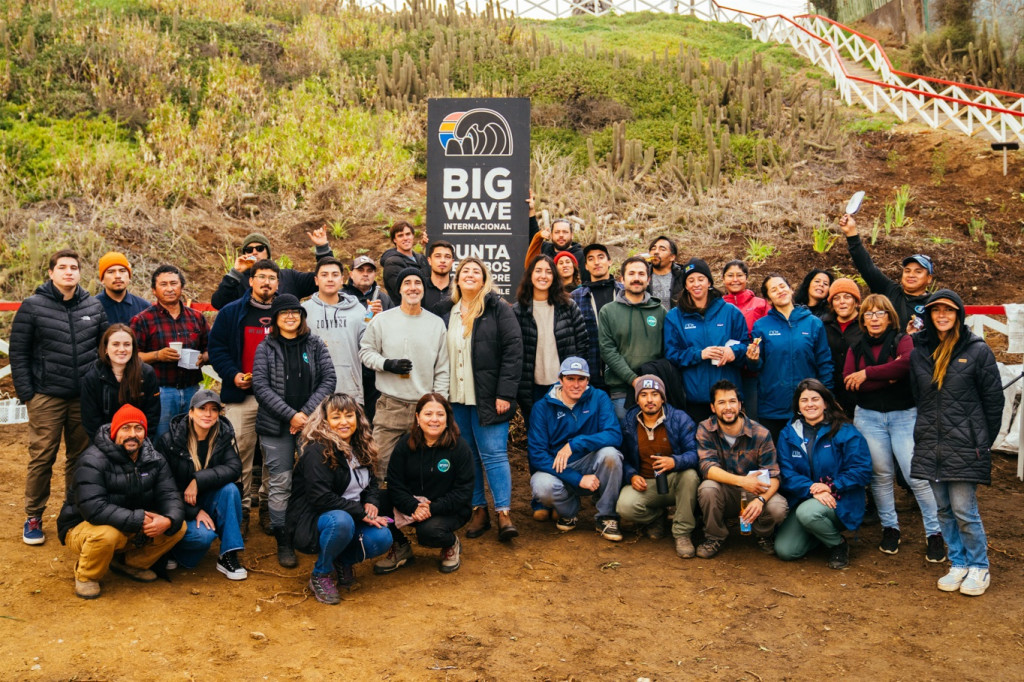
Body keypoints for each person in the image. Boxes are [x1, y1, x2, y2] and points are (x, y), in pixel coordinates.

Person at [909, 290, 1004, 596]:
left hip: (966, 443)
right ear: (929, 315)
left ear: (959, 315)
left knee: (965, 510)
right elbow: (918, 396)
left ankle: (979, 566)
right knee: (944, 510)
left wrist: (982, 441)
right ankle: (958, 562)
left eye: (948, 311)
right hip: (930, 442)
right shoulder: (918, 351)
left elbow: (994, 401)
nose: (942, 316)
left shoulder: (978, 350)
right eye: (936, 311)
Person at [11, 249, 107, 545]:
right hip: (46, 396)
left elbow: (104, 350)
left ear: (80, 273)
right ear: (51, 273)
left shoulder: (94, 305)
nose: (69, 272)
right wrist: (28, 394)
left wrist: (98, 388)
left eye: (74, 267)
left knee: (79, 457)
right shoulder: (32, 306)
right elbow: (19, 353)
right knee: (42, 456)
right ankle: (33, 515)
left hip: (83, 397)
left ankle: (74, 510)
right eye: (62, 267)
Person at [843, 294, 945, 561]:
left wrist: (868, 374)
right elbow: (848, 382)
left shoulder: (903, 340)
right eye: (868, 314)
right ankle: (890, 528)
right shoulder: (856, 346)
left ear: (890, 316)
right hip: (868, 417)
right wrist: (889, 377)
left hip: (903, 416)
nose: (874, 318)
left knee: (916, 475)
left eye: (880, 313)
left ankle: (934, 533)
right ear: (862, 319)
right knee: (881, 475)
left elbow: (908, 363)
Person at [56, 405, 186, 599]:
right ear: (115, 430)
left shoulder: (155, 459)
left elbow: (170, 495)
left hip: (131, 524)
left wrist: (168, 519)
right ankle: (86, 576)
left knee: (178, 526)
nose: (132, 434)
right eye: (126, 428)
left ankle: (129, 563)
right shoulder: (92, 459)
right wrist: (139, 518)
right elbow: (93, 508)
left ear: (145, 432)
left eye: (138, 428)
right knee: (107, 535)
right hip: (82, 526)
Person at [435, 258, 523, 541]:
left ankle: (503, 512)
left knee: (494, 454)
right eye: (465, 272)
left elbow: (513, 351)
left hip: (489, 396)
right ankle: (478, 510)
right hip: (455, 398)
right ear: (457, 279)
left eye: (477, 271)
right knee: (467, 455)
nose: (470, 275)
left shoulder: (498, 308)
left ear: (484, 280)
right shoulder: (445, 311)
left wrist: (505, 393)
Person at [252, 294, 337, 567]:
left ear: (302, 316)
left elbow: (329, 379)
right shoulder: (266, 347)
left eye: (295, 312)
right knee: (281, 482)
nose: (290, 316)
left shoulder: (314, 344)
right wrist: (290, 415)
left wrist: (304, 416)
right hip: (275, 426)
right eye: (284, 313)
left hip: (311, 426)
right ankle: (283, 539)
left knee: (315, 479)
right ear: (275, 319)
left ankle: (310, 530)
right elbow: (261, 386)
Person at [287, 394, 393, 604]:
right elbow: (321, 498)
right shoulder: (317, 450)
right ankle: (321, 573)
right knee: (340, 521)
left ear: (358, 418)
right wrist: (361, 512)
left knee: (383, 537)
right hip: (314, 521)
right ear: (325, 421)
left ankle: (342, 561)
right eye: (336, 417)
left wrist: (371, 502)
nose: (344, 422)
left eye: (349, 416)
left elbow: (372, 481)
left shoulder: (361, 444)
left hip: (350, 515)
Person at [207, 259, 280, 526]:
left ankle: (270, 510)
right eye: (261, 277)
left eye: (272, 278)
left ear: (278, 283)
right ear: (250, 281)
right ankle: (241, 512)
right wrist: (233, 374)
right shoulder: (231, 312)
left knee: (274, 456)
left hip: (276, 398)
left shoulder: (287, 313)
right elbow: (217, 350)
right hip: (241, 397)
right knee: (239, 456)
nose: (266, 282)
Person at [359, 267, 449, 474]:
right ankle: (380, 505)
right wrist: (386, 364)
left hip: (424, 407)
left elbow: (443, 369)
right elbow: (365, 352)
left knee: (423, 467)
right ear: (399, 289)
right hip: (391, 405)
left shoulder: (435, 324)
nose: (412, 288)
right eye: (407, 283)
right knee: (378, 464)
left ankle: (418, 505)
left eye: (417, 283)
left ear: (423, 289)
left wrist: (438, 404)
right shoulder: (382, 320)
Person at [775, 379, 872, 569]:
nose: (810, 404)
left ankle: (838, 544)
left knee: (808, 513)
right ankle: (820, 534)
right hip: (805, 497)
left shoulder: (845, 431)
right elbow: (786, 472)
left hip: (839, 500)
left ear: (825, 402)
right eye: (804, 400)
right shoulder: (788, 434)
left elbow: (862, 470)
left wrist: (831, 486)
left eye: (815, 399)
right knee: (786, 551)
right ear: (798, 405)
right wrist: (812, 489)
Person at [528, 357, 625, 542]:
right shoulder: (542, 407)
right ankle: (569, 511)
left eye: (581, 379)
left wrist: (575, 444)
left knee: (611, 455)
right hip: (558, 467)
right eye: (570, 378)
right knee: (541, 485)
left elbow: (614, 434)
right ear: (560, 379)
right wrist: (578, 479)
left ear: (588, 380)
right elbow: (537, 456)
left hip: (589, 462)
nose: (576, 384)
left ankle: (606, 516)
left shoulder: (598, 398)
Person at [376, 393, 473, 575]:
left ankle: (450, 543)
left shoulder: (460, 448)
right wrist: (414, 506)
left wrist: (432, 508)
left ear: (448, 418)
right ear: (417, 417)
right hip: (413, 505)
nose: (434, 419)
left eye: (440, 414)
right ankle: (401, 546)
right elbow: (395, 483)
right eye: (428, 414)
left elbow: (463, 491)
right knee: (376, 502)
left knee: (429, 532)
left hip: (447, 510)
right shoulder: (404, 445)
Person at [155, 390, 246, 580]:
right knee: (203, 537)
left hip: (208, 499)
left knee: (230, 490)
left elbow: (234, 468)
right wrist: (194, 511)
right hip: (179, 506)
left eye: (214, 410)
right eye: (202, 408)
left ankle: (228, 555)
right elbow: (162, 488)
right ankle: (172, 551)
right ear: (191, 412)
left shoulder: (222, 435)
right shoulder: (170, 440)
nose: (208, 414)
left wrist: (198, 479)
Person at [695, 380, 788, 558]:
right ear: (713, 408)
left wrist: (760, 500)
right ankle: (715, 536)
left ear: (740, 404)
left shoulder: (761, 433)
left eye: (732, 401)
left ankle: (763, 535)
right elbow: (708, 468)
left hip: (755, 491)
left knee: (778, 506)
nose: (728, 407)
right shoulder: (705, 429)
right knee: (707, 489)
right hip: (726, 492)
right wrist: (742, 481)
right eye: (721, 403)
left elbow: (775, 476)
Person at [616, 375, 701, 558]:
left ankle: (682, 533)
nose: (649, 400)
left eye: (655, 394)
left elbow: (695, 454)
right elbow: (622, 458)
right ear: (637, 399)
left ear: (662, 398)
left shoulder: (679, 419)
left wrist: (675, 461)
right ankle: (656, 517)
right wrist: (631, 475)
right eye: (644, 395)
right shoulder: (629, 423)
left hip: (673, 481)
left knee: (690, 475)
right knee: (624, 507)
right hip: (646, 483)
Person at [746, 274, 833, 443]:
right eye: (774, 289)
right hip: (773, 406)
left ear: (791, 289)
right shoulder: (761, 326)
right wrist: (753, 359)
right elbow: (755, 367)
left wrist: (827, 397)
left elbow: (824, 363)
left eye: (782, 286)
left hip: (808, 406)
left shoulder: (813, 323)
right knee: (777, 460)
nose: (780, 291)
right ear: (768, 300)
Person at [663, 258, 749, 424]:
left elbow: (746, 345)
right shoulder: (674, 317)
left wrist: (733, 352)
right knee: (701, 448)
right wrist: (699, 354)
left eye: (701, 279)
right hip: (695, 397)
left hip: (728, 398)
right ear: (685, 285)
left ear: (709, 282)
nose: (696, 284)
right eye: (691, 280)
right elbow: (671, 353)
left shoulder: (730, 312)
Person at [131, 264, 210, 438]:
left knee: (192, 438)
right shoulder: (143, 320)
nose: (169, 289)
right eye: (163, 284)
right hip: (160, 391)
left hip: (192, 389)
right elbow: (131, 357)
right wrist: (157, 355)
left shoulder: (196, 318)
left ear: (181, 287)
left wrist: (203, 357)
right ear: (154, 290)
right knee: (161, 439)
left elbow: (211, 348)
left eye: (174, 283)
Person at [513, 254, 589, 423]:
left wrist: (575, 377)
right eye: (538, 270)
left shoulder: (568, 306)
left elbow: (582, 344)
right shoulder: (518, 310)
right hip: (531, 387)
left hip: (563, 383)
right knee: (537, 435)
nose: (543, 275)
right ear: (530, 275)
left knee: (564, 434)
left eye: (548, 271)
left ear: (554, 276)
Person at [838, 213, 934, 330]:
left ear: (929, 278)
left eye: (918, 271)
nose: (911, 275)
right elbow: (867, 268)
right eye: (907, 271)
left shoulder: (933, 303)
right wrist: (851, 234)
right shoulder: (889, 290)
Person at [598, 256, 667, 420]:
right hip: (621, 390)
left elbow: (667, 350)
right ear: (622, 278)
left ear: (648, 279)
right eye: (632, 273)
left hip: (654, 390)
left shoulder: (660, 311)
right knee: (627, 440)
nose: (637, 278)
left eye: (641, 274)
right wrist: (633, 380)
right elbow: (608, 351)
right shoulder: (608, 311)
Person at [210, 227, 334, 310]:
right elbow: (218, 303)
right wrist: (235, 273)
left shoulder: (289, 277)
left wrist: (322, 248)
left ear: (268, 252)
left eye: (259, 248)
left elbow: (322, 280)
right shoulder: (238, 281)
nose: (254, 252)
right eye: (249, 250)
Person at [81, 324, 161, 441]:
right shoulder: (92, 378)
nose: (122, 349)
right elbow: (91, 421)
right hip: (104, 442)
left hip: (139, 441)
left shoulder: (147, 373)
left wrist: (141, 443)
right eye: (115, 344)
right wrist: (108, 445)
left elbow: (152, 415)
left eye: (127, 345)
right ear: (105, 349)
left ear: (133, 348)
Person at [303, 257, 367, 403]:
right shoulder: (304, 311)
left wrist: (374, 320)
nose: (330, 279)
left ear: (342, 279)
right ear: (316, 280)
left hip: (350, 393)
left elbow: (368, 346)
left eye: (335, 275)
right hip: (314, 396)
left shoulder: (358, 310)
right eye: (324, 275)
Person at [342, 255, 393, 423]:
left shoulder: (383, 298)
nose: (365, 274)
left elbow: (392, 332)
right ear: (350, 274)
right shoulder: (342, 296)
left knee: (371, 419)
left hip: (373, 371)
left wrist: (380, 318)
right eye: (360, 270)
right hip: (348, 366)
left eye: (370, 271)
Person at [570, 243, 623, 392]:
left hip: (623, 375)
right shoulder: (575, 297)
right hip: (590, 375)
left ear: (609, 261)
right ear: (586, 266)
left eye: (601, 257)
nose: (597, 262)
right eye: (591, 259)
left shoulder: (624, 293)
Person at [721, 260, 770, 418]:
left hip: (753, 371)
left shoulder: (760, 304)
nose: (735, 279)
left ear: (746, 278)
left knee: (753, 415)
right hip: (727, 368)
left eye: (739, 275)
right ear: (723, 279)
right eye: (730, 275)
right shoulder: (719, 305)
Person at [821, 278, 863, 417]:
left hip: (861, 394)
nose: (842, 302)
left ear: (856, 301)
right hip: (832, 392)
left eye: (847, 297)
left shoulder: (866, 324)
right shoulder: (823, 325)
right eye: (836, 298)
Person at [95, 252, 150, 325]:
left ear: (129, 277)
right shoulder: (92, 308)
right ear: (102, 279)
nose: (117, 276)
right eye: (111, 272)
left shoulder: (144, 307)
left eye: (122, 271)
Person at [380, 221, 429, 303]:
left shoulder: (421, 258)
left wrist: (428, 247)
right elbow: (402, 293)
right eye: (400, 236)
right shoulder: (392, 263)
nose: (405, 238)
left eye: (408, 234)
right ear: (394, 240)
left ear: (413, 235)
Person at [525, 217, 586, 282]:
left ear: (572, 235)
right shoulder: (545, 249)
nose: (561, 235)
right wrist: (539, 236)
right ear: (551, 235)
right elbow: (533, 241)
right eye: (557, 232)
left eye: (565, 232)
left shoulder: (582, 255)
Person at [647, 236, 685, 310]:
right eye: (653, 249)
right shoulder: (642, 276)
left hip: (674, 321)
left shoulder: (682, 277)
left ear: (672, 257)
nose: (656, 252)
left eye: (662, 249)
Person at [422, 240, 455, 312]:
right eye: (438, 256)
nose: (443, 260)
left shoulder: (459, 288)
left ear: (452, 262)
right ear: (429, 260)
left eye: (447, 257)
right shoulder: (420, 287)